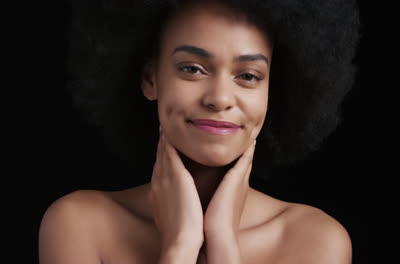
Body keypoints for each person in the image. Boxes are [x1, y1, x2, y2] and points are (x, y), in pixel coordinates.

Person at [40, 0, 360, 263]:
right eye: (192, 69)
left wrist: (222, 246)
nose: (219, 98)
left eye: (248, 75)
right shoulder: (79, 225)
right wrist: (180, 246)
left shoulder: (315, 242)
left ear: (271, 91)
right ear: (151, 79)